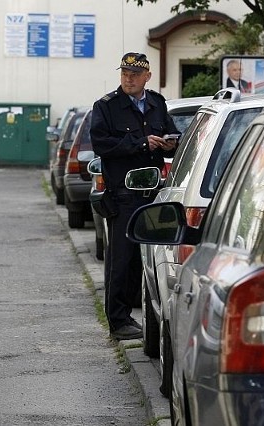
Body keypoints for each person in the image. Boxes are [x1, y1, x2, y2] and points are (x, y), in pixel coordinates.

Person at [90, 52, 180, 341]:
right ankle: (118, 321)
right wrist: (141, 142)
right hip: (123, 194)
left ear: (146, 77)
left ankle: (143, 312)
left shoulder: (157, 103)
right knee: (121, 259)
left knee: (148, 258)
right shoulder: (106, 106)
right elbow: (102, 144)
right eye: (125, 73)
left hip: (153, 193)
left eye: (134, 74)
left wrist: (167, 143)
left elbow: (172, 137)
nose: (128, 78)